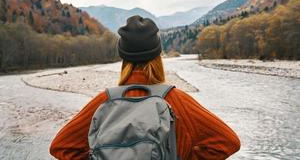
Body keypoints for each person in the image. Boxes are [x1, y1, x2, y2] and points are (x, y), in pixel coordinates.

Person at [49, 15, 240, 160]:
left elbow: (60, 146)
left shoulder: (105, 101)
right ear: (158, 57)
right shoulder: (176, 100)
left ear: (123, 58)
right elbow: (228, 142)